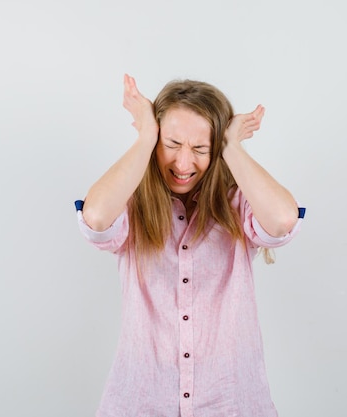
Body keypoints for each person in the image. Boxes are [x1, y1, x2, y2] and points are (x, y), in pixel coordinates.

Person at [75, 74, 305, 417]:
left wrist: (231, 147)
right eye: (171, 144)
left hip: (232, 405)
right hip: (140, 405)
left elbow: (284, 220)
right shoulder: (132, 202)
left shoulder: (238, 203)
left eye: (200, 149)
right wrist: (145, 137)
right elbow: (95, 218)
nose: (183, 164)